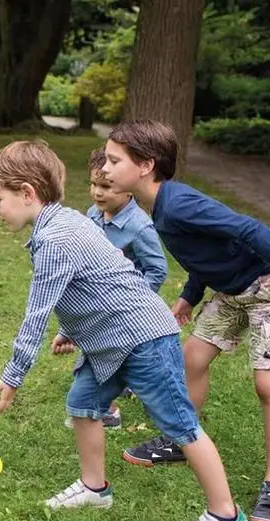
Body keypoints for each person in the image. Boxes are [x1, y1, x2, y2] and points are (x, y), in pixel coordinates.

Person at [0, 139, 250, 521]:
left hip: (142, 338)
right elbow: (101, 280)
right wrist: (73, 329)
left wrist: (13, 375)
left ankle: (225, 517)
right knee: (84, 404)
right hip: (110, 341)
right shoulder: (67, 220)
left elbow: (36, 312)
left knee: (180, 424)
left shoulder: (55, 239)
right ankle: (95, 487)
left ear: (27, 193)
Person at [103, 119, 270, 521]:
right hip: (230, 292)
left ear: (145, 165)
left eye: (114, 160)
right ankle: (182, 440)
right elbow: (208, 252)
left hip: (268, 286)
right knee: (191, 360)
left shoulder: (178, 203)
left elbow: (248, 229)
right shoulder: (161, 207)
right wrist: (189, 296)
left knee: (269, 384)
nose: (105, 169)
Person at [70, 147, 168, 430]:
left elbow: (158, 269)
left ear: (128, 189)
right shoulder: (94, 214)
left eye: (106, 186)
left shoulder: (139, 227)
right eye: (93, 184)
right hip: (98, 303)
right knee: (112, 354)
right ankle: (125, 384)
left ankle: (108, 412)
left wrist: (133, 299)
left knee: (102, 355)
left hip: (126, 310)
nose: (98, 193)